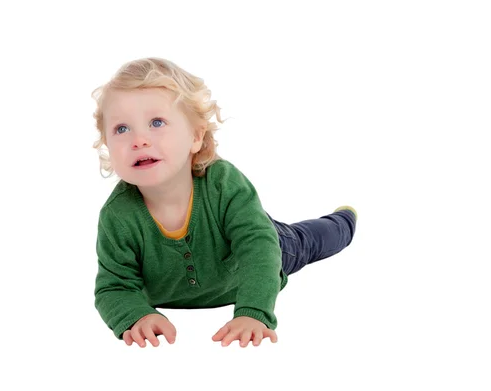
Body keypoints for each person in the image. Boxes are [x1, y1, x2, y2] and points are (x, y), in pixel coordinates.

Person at [92, 57, 357, 348]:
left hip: (266, 252)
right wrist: (135, 316)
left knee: (306, 241)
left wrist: (253, 312)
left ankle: (343, 221)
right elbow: (114, 285)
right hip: (201, 281)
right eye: (121, 129)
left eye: (157, 122)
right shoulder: (117, 216)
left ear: (196, 136)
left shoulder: (222, 184)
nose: (139, 139)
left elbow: (258, 249)